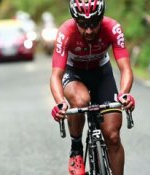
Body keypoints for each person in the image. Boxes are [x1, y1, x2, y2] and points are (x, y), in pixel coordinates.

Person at [50, 0, 135, 175]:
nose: (89, 30)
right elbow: (56, 75)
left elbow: (125, 68)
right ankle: (76, 149)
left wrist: (124, 94)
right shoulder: (65, 32)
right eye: (82, 24)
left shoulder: (113, 28)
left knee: (112, 136)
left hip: (101, 73)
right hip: (74, 73)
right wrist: (60, 103)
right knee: (81, 101)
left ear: (101, 18)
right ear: (75, 20)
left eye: (94, 23)